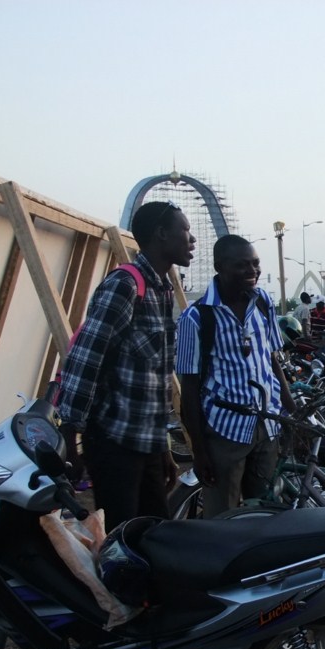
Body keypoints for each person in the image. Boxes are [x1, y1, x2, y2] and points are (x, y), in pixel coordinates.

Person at [58, 200, 192, 530]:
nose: (191, 239)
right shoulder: (125, 285)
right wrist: (69, 437)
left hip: (145, 443)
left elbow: (154, 381)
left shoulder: (161, 290)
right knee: (121, 537)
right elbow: (86, 359)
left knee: (153, 532)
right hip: (114, 444)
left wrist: (162, 450)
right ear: (161, 235)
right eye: (184, 231)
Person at [175, 235, 293, 519]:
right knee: (222, 517)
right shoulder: (197, 318)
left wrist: (292, 410)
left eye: (255, 264)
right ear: (220, 267)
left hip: (267, 426)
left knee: (265, 511)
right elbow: (189, 389)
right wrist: (200, 453)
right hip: (225, 433)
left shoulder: (263, 302)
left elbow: (273, 361)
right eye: (242, 265)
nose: (252, 272)